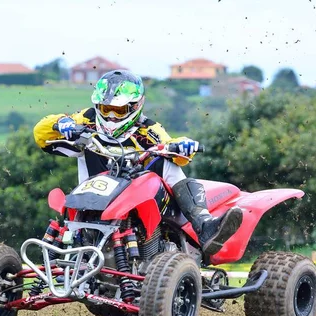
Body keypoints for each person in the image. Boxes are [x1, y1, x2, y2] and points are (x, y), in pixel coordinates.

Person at [33, 70, 242, 255]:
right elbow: (41, 135)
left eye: (120, 110)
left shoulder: (148, 129)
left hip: (132, 200)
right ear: (97, 105)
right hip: (91, 198)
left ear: (135, 106)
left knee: (169, 164)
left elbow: (172, 149)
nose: (112, 117)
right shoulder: (85, 120)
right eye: (106, 109)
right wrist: (62, 123)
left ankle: (204, 226)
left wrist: (182, 146)